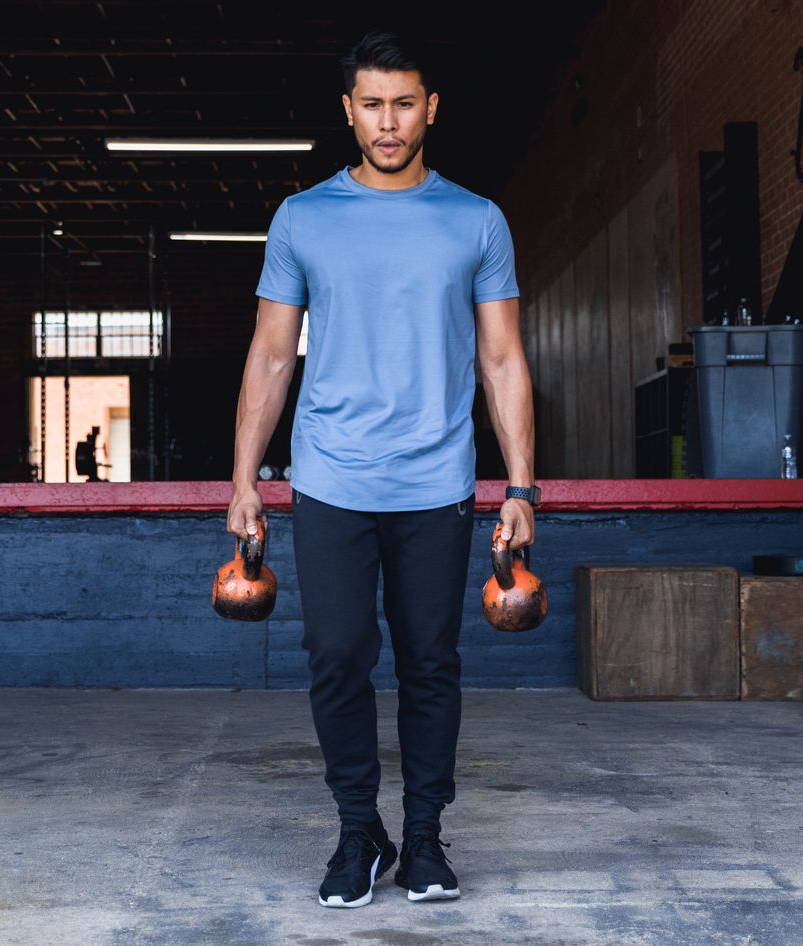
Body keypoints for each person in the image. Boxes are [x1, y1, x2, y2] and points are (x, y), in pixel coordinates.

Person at [226, 31, 538, 908]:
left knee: (431, 660)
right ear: (348, 111)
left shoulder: (475, 219)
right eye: (372, 104)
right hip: (330, 477)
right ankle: (359, 830)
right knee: (335, 654)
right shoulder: (303, 218)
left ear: (431, 109)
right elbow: (271, 355)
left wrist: (520, 486)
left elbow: (503, 359)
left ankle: (428, 838)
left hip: (438, 480)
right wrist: (245, 479)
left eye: (405, 104)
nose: (388, 121)